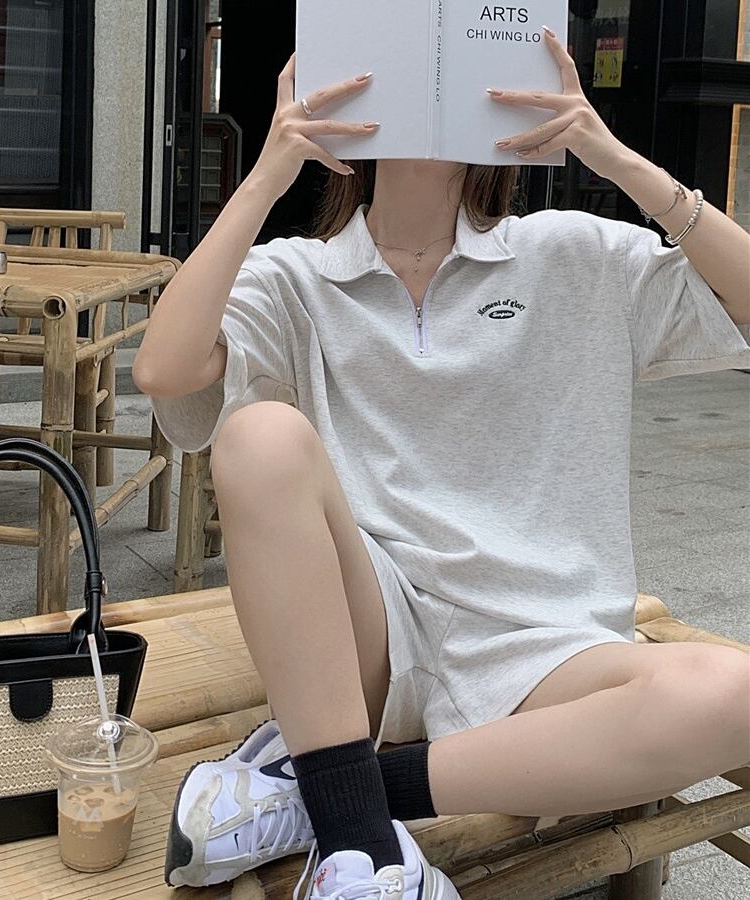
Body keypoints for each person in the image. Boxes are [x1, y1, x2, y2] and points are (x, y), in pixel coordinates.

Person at [133, 28, 750, 900]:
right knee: (258, 435)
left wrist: (609, 154)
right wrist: (270, 171)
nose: (426, 94)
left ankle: (331, 795)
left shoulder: (573, 254)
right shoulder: (298, 277)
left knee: (733, 693)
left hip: (545, 642)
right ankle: (361, 843)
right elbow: (164, 371)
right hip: (374, 633)